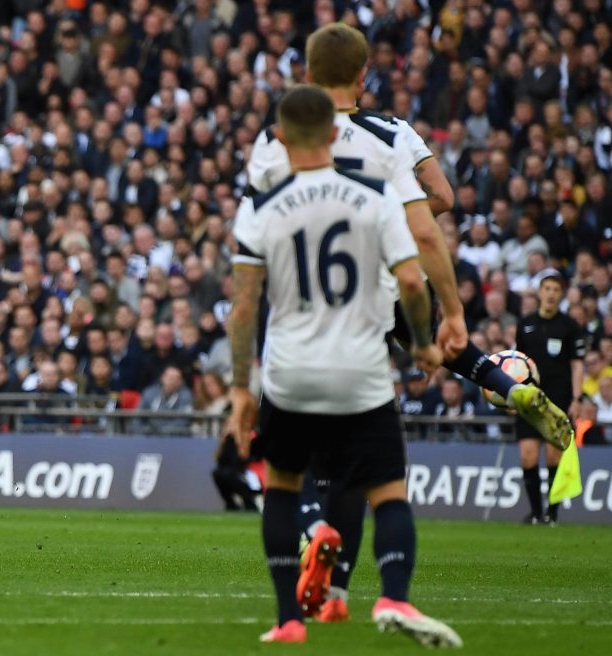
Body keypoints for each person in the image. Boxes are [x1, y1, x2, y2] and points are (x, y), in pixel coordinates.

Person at [246, 22, 573, 624]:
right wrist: (403, 235)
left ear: (309, 77)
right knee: (407, 385)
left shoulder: (278, 139)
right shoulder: (394, 133)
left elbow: (259, 227)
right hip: (386, 277)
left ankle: (317, 556)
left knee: (312, 454)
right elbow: (439, 203)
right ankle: (504, 383)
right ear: (364, 76)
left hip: (308, 304)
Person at [225, 85, 460, 647]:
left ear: (280, 138)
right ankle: (394, 594)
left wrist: (240, 388)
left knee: (282, 489)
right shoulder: (374, 195)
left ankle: (287, 621)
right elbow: (409, 279)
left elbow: (243, 308)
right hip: (361, 370)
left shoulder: (259, 204)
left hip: (290, 372)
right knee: (386, 491)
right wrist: (424, 341)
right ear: (333, 134)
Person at [515, 270, 585, 524]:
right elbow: (517, 363)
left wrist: (576, 399)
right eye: (547, 288)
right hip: (528, 399)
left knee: (553, 456)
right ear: (540, 292)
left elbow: (577, 365)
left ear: (561, 294)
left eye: (556, 289)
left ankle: (552, 513)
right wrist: (510, 396)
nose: (551, 294)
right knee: (527, 455)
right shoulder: (525, 324)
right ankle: (535, 513)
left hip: (558, 399)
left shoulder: (569, 326)